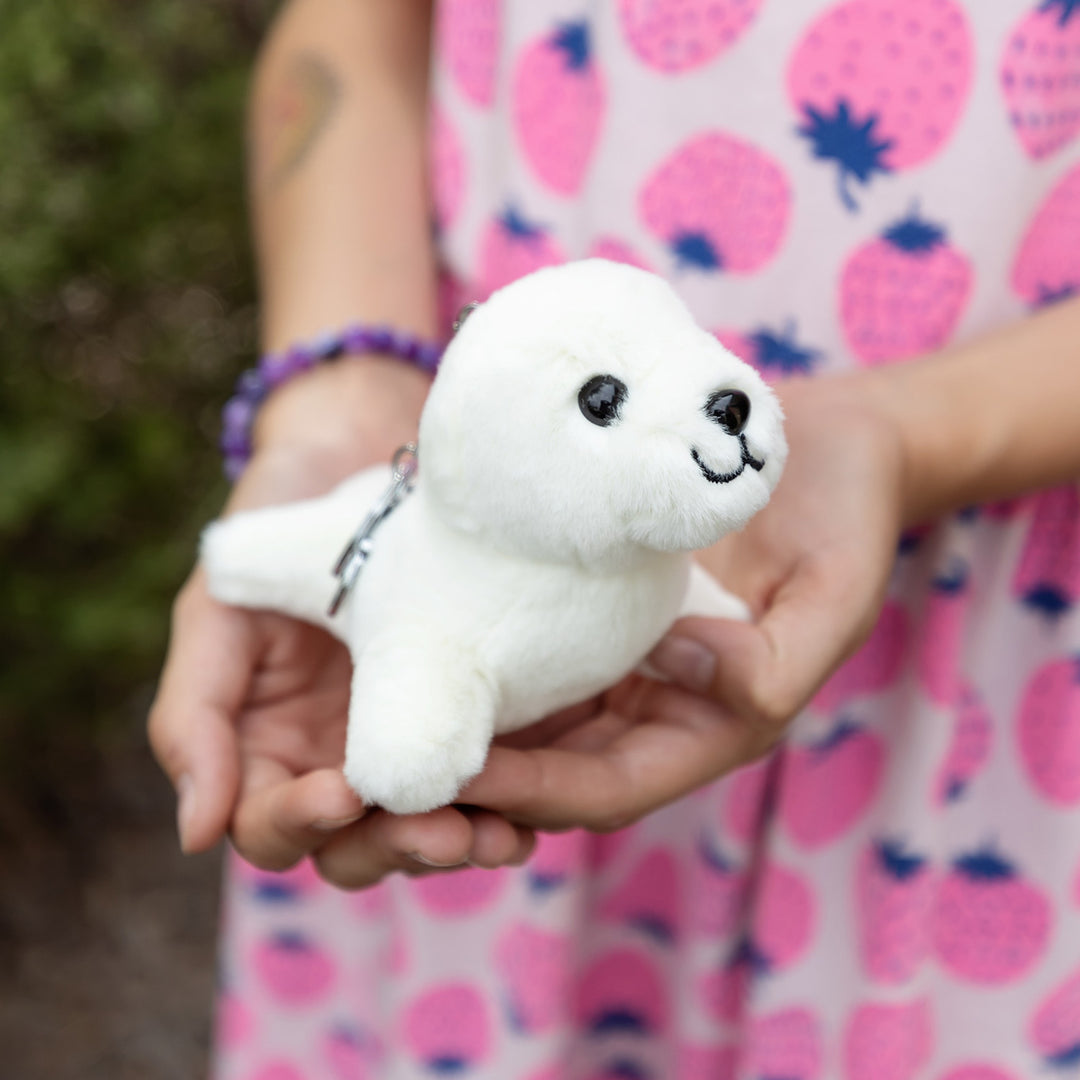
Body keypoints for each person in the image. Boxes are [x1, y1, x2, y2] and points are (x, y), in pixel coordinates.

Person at [150, 1, 1080, 1076]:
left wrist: (910, 434)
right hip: (454, 465)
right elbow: (355, 32)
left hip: (990, 687)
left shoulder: (677, 565)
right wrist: (342, 390)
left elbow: (693, 599)